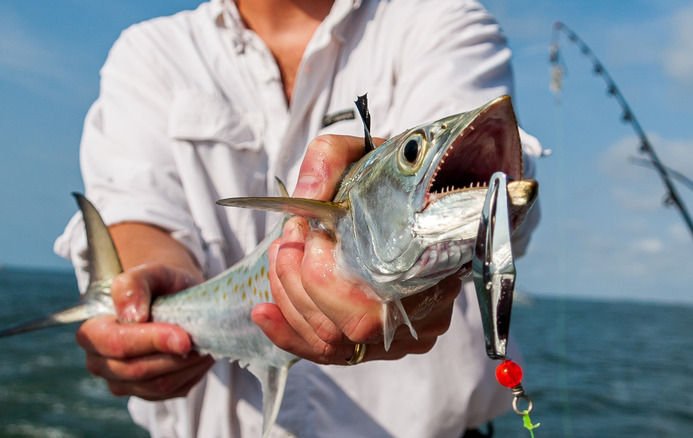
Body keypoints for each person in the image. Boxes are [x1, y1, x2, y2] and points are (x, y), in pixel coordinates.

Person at [54, 0, 542, 436]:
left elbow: (473, 180)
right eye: (411, 152)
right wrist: (143, 291)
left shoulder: (439, 19)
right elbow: (137, 207)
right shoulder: (150, 53)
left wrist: (423, 285)